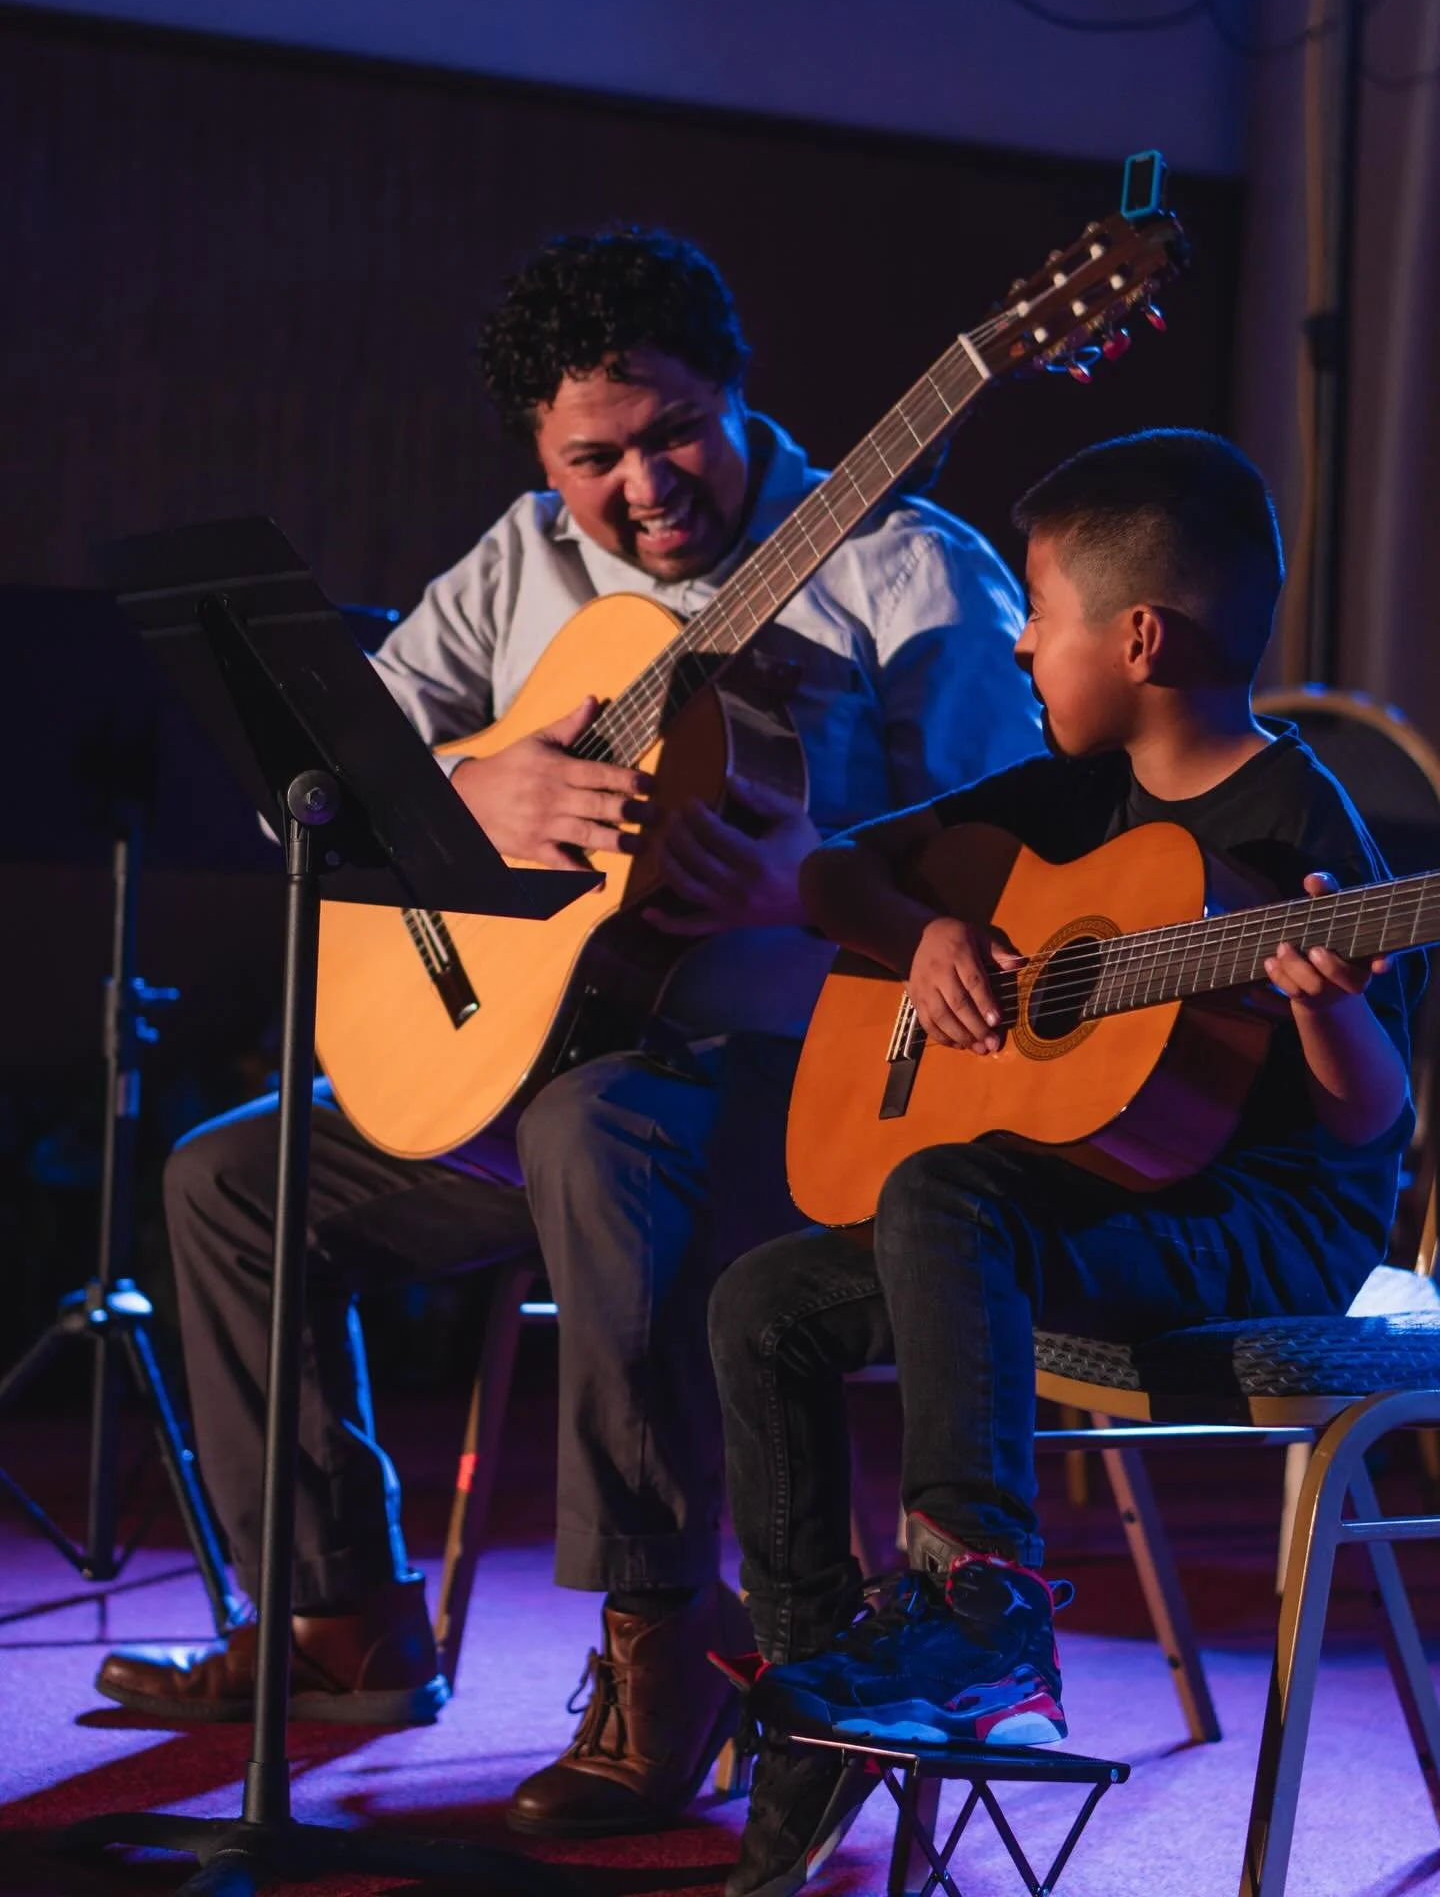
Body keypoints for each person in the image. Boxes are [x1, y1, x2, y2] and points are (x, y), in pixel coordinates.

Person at [93, 229, 1041, 1835]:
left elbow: (1010, 877)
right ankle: (341, 1617)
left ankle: (663, 1641)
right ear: (541, 453)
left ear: (737, 397)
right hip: (552, 1067)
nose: (642, 486)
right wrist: (474, 788)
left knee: (593, 1135)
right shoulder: (522, 560)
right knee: (231, 1184)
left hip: (804, 1096)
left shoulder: (909, 570)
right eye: (592, 456)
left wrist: (802, 892)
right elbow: (319, 795)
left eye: (670, 430)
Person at [706, 428, 1421, 1896]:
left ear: (1140, 635)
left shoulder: (1301, 829)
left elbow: (1370, 1125)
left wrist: (1328, 1016)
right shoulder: (1065, 799)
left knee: (947, 1190)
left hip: (1253, 1227)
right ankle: (823, 1695)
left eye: (1038, 613)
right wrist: (925, 939)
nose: (1021, 641)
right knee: (762, 1302)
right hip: (1078, 1203)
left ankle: (983, 1608)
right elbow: (834, 870)